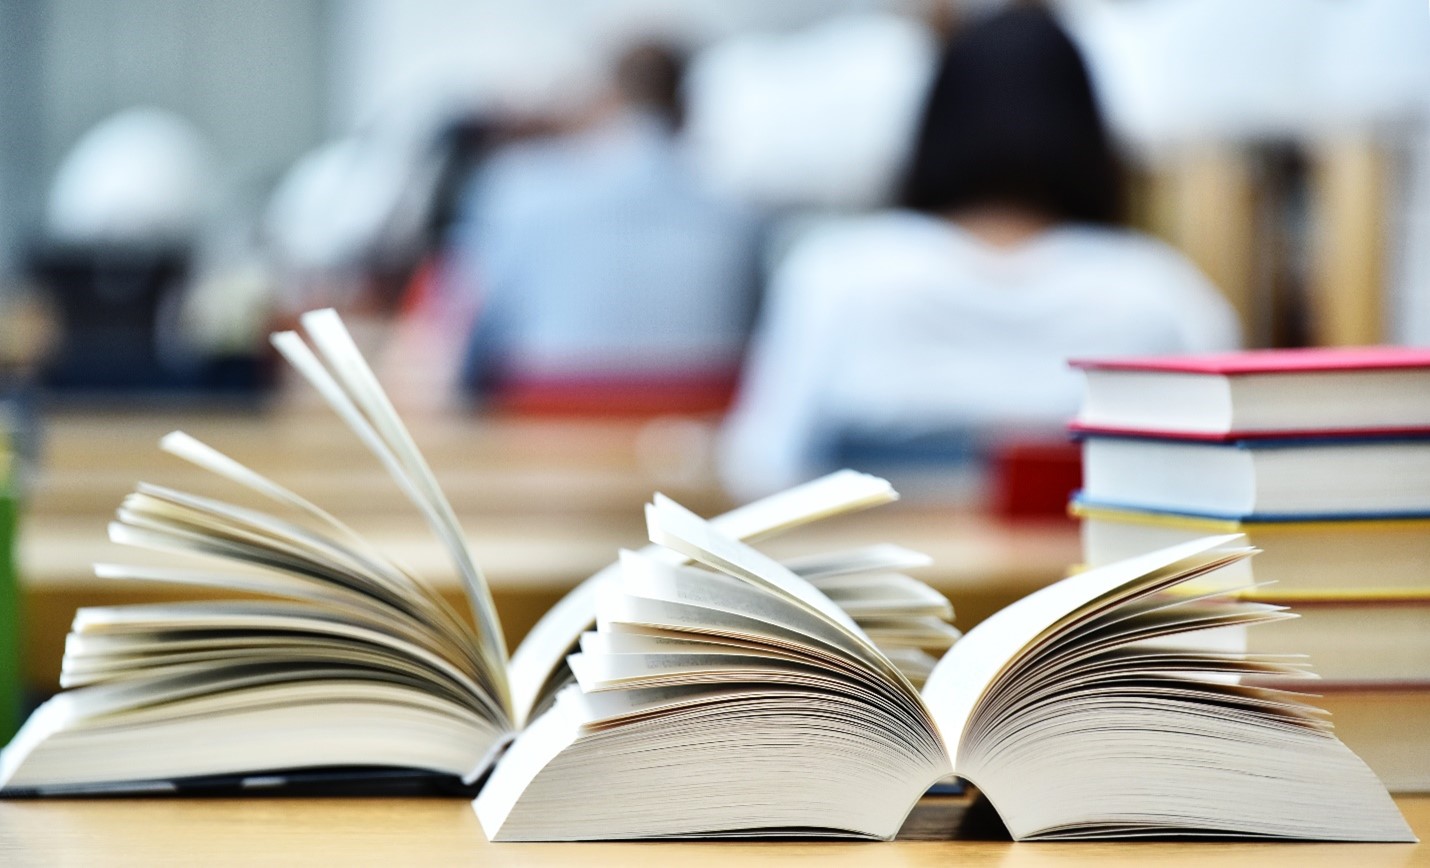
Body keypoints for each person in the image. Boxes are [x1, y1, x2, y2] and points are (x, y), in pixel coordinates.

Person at [719, 7, 1241, 500]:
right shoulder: (1157, 288)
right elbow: (1224, 468)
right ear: (1092, 134)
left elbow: (760, 464)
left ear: (932, 123)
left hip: (880, 587)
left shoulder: (835, 273)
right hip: (1098, 586)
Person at [449, 43, 763, 415]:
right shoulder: (744, 207)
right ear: (689, 106)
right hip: (697, 431)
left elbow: (474, 333)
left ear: (604, 97)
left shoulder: (519, 187)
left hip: (547, 426)